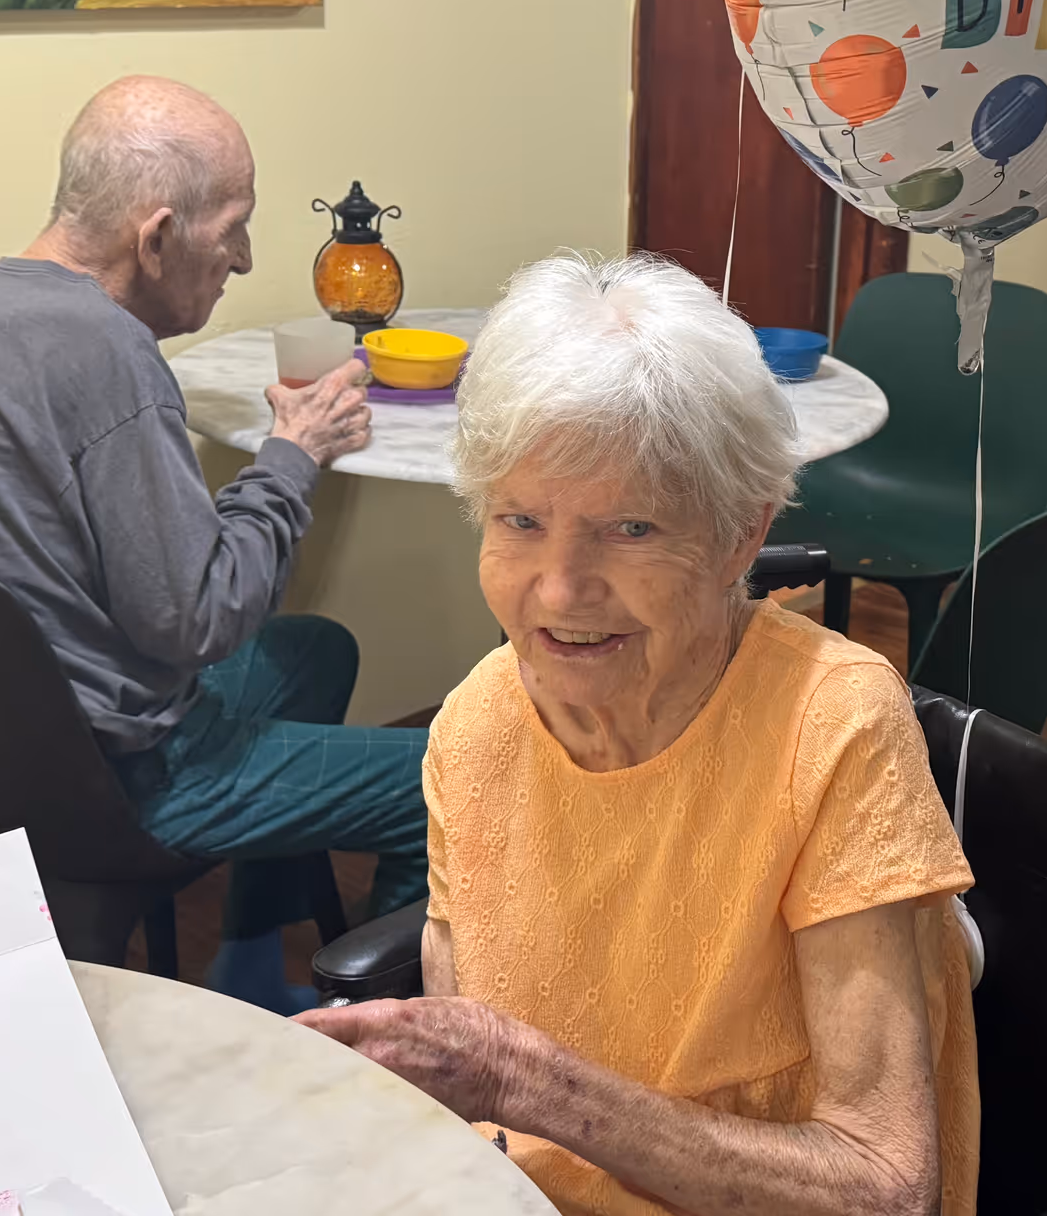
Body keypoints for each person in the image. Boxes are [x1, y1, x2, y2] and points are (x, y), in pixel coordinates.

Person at [298, 253, 978, 1216]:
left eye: (631, 529)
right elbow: (479, 1125)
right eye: (521, 520)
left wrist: (538, 1086)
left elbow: (888, 1186)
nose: (562, 589)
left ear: (742, 534)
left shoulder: (831, 727)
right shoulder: (478, 725)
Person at [0, 76, 429, 1009]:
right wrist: (293, 453)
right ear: (155, 238)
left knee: (318, 647)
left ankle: (248, 956)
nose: (241, 259)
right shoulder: (107, 355)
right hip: (122, 779)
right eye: (232, 227)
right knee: (449, 779)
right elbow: (200, 622)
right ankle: (383, 1034)